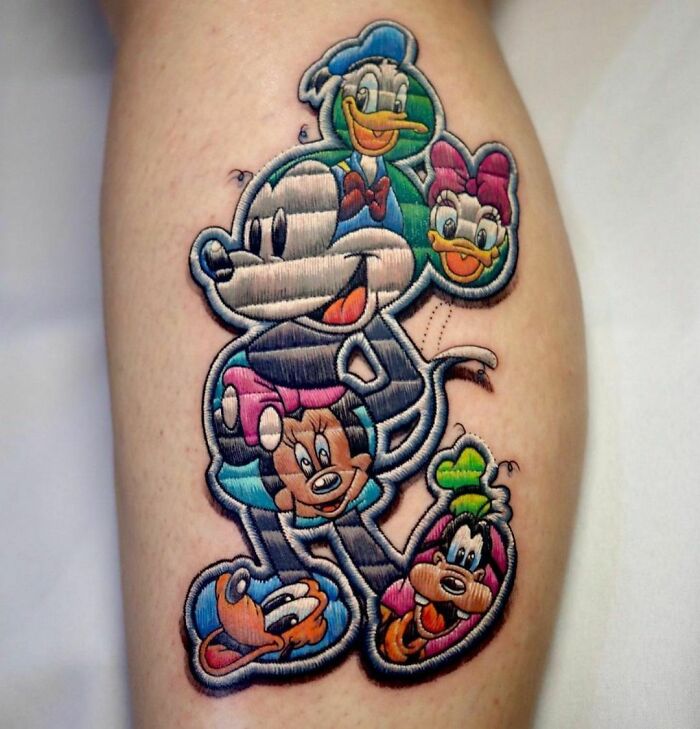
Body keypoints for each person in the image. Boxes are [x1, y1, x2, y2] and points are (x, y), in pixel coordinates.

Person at [100, 1, 586, 727]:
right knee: (275, 522)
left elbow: (400, 386)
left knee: (356, 530)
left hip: (343, 457)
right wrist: (266, 429)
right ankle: (288, 580)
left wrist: (380, 399)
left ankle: (391, 592)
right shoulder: (264, 348)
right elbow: (237, 411)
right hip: (272, 470)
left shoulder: (363, 318)